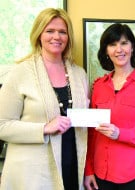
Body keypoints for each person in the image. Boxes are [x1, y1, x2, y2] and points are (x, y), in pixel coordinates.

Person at [0, 8, 89, 190]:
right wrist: (44, 128)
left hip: (72, 167)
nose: (56, 37)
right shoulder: (19, 72)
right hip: (32, 174)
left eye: (62, 32)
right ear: (39, 34)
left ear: (68, 37)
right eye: (50, 31)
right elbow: (2, 126)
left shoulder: (79, 74)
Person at [84, 23, 135, 190]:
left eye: (124, 43)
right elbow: (91, 133)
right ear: (106, 51)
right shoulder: (98, 86)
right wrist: (89, 170)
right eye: (112, 44)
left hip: (134, 175)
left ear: (132, 47)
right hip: (101, 173)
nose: (119, 49)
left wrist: (121, 133)